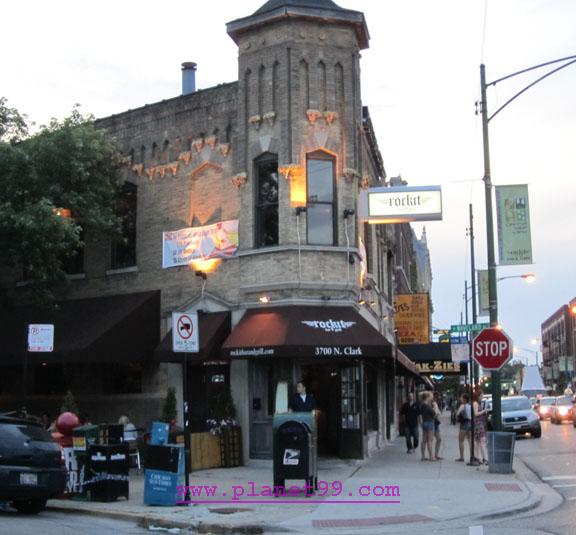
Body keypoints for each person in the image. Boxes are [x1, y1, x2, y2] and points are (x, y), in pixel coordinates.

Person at [419, 391, 436, 461]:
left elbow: (420, 415)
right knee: (430, 440)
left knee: (424, 440)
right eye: (430, 396)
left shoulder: (422, 405)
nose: (431, 398)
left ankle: (423, 456)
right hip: (430, 423)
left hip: (424, 422)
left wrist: (421, 423)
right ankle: (431, 457)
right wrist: (434, 407)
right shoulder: (428, 406)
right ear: (427, 397)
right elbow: (434, 414)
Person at [455, 393, 472, 462]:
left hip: (464, 424)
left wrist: (457, 415)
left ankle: (462, 457)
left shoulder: (462, 406)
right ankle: (471, 456)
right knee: (470, 441)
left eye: (461, 398)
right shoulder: (470, 406)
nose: (460, 399)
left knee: (461, 441)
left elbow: (457, 414)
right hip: (470, 423)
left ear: (465, 399)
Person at [472, 392, 488, 464]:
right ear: (478, 396)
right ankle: (484, 458)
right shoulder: (475, 403)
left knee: (478, 441)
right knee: (482, 440)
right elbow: (476, 413)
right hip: (478, 424)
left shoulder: (477, 403)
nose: (482, 397)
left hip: (479, 423)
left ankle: (478, 457)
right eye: (481, 396)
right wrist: (483, 411)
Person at [432, 392, 443, 460]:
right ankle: (433, 455)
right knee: (430, 440)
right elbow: (436, 413)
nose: (438, 398)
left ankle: (436, 454)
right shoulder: (433, 403)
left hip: (435, 423)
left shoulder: (435, 403)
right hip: (433, 423)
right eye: (437, 397)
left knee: (439, 439)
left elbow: (438, 412)